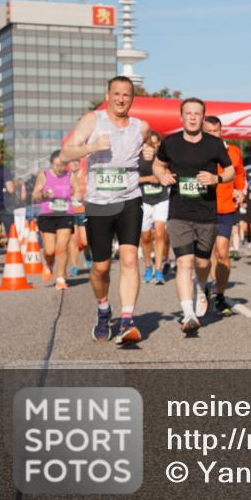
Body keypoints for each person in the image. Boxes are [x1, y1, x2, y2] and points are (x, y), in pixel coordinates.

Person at [60, 76, 149, 344]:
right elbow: (65, 153)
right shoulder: (93, 120)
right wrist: (92, 147)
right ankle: (103, 308)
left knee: (130, 258)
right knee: (100, 267)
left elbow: (148, 157)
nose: (121, 99)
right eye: (116, 94)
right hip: (99, 203)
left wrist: (151, 158)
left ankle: (127, 320)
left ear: (132, 98)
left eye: (126, 95)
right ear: (108, 95)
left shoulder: (141, 127)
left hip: (130, 198)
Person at [153, 98, 235, 335]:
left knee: (202, 263)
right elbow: (158, 165)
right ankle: (188, 313)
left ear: (202, 117)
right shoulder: (170, 142)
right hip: (179, 212)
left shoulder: (214, 144)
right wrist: (161, 175)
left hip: (206, 212)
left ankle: (201, 287)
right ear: (181, 117)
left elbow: (230, 171)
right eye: (188, 113)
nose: (192, 117)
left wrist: (217, 179)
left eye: (197, 113)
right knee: (184, 262)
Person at [202, 115, 246, 316]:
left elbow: (239, 173)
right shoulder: (196, 151)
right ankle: (203, 288)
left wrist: (240, 190)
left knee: (222, 252)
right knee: (204, 254)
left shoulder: (233, 151)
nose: (213, 135)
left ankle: (219, 296)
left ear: (221, 131)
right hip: (202, 208)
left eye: (216, 131)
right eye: (208, 132)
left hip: (225, 208)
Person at [31, 150, 75, 289]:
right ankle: (49, 264)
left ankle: (60, 278)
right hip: (47, 215)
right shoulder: (44, 175)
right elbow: (35, 195)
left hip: (65, 214)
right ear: (51, 164)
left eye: (62, 165)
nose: (59, 168)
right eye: (56, 165)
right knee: (49, 250)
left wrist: (77, 194)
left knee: (62, 246)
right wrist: (43, 194)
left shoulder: (70, 175)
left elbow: (79, 192)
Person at [138, 131, 170, 285]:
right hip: (144, 201)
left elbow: (171, 173)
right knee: (145, 237)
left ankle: (158, 270)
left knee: (159, 233)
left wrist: (166, 175)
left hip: (161, 199)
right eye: (150, 144)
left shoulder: (163, 159)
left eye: (156, 143)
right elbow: (130, 179)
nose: (153, 146)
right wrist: (149, 178)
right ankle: (147, 267)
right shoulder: (136, 160)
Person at [67, 158, 91, 276]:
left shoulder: (85, 175)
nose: (74, 164)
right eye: (72, 162)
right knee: (73, 240)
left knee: (85, 241)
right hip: (70, 212)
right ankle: (74, 266)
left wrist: (84, 198)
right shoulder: (66, 176)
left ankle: (87, 255)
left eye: (76, 161)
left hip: (83, 211)